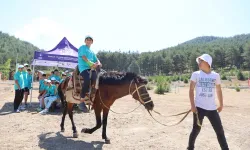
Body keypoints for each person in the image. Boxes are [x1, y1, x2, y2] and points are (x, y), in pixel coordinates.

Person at [187, 54, 229, 150]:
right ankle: (190, 148)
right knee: (196, 130)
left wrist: (221, 104)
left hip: (212, 109)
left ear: (207, 62)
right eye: (199, 61)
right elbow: (191, 90)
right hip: (199, 108)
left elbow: (219, 90)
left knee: (219, 131)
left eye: (201, 61)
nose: (199, 63)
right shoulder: (196, 74)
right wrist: (193, 105)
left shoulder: (215, 75)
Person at [78, 35, 102, 111]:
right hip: (84, 68)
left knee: (98, 79)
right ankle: (81, 101)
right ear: (85, 41)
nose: (88, 41)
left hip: (91, 69)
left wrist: (99, 63)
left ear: (92, 42)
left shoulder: (92, 51)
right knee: (87, 79)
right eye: (87, 40)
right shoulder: (82, 47)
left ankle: (94, 98)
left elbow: (97, 59)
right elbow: (84, 57)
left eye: (90, 40)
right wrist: (92, 64)